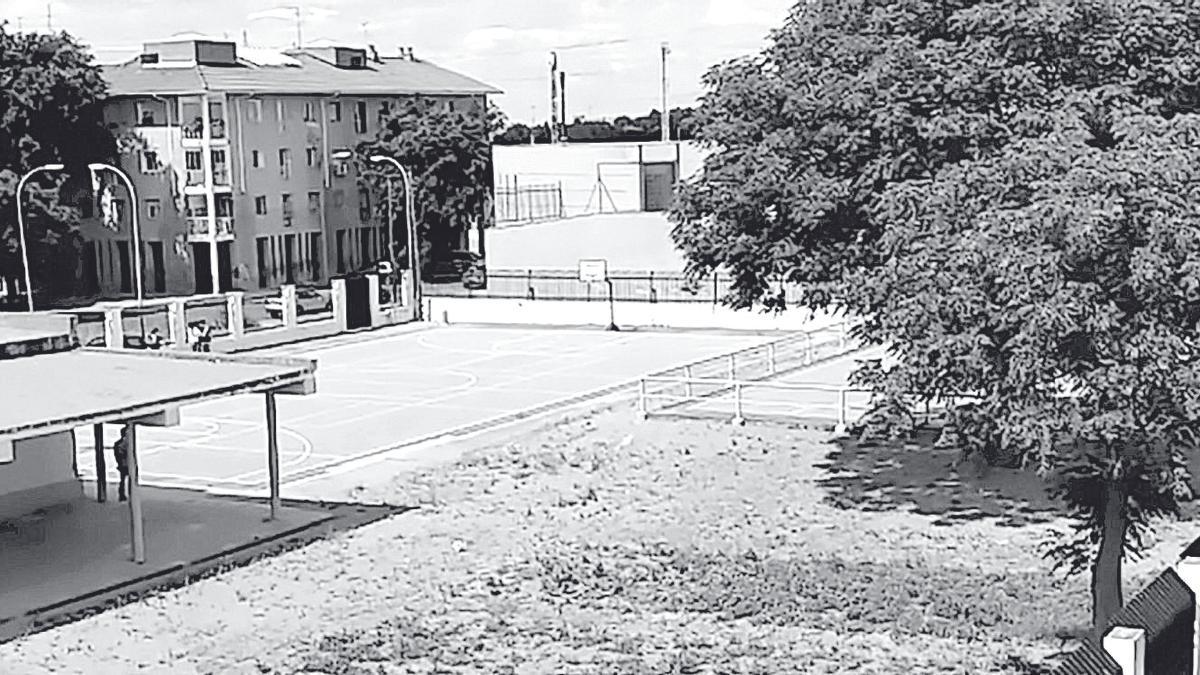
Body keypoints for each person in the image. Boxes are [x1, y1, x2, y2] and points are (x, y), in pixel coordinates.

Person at [113, 426, 131, 502]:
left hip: (125, 464)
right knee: (125, 480)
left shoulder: (121, 443)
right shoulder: (123, 444)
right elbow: (119, 454)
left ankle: (124, 494)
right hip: (125, 464)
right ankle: (123, 494)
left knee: (124, 480)